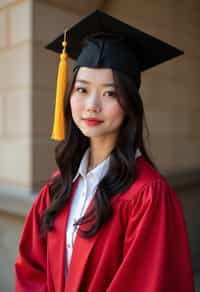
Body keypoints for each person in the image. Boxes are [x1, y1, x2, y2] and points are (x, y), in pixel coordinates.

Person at [14, 10, 195, 292]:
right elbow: (31, 270)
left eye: (110, 93)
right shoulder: (57, 187)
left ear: (129, 104)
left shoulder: (148, 196)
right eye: (82, 90)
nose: (91, 105)